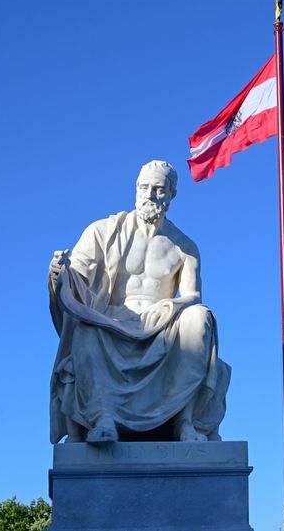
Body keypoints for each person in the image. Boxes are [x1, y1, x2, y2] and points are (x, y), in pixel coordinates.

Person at [47, 160, 230, 444]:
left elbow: (193, 296)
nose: (150, 195)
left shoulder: (185, 246)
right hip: (112, 319)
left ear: (172, 194)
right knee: (87, 327)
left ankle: (185, 423)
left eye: (158, 189)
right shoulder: (103, 231)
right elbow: (77, 278)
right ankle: (103, 418)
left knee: (200, 318)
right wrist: (60, 272)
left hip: (163, 322)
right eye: (144, 187)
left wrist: (170, 307)